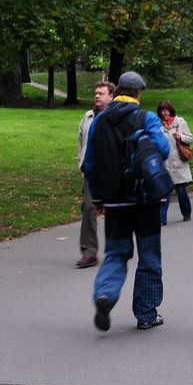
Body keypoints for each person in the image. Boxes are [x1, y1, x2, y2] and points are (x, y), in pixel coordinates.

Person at [83, 72, 171, 332]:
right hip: (146, 200)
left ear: (118, 90)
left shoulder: (99, 122)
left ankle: (105, 295)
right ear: (138, 93)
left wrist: (99, 197)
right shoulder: (146, 118)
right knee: (149, 257)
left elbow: (90, 163)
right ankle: (146, 314)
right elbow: (164, 151)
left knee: (116, 253)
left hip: (114, 202)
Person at [75, 81, 115, 268]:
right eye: (95, 93)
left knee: (116, 211)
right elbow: (81, 142)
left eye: (101, 93)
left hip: (112, 172)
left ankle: (117, 249)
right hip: (92, 173)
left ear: (111, 96)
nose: (97, 96)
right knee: (89, 210)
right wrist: (81, 164)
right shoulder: (88, 117)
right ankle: (89, 252)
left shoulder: (115, 117)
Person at [157, 100, 193, 225]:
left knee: (181, 191)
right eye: (162, 111)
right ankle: (162, 219)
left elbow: (191, 138)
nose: (164, 113)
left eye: (166, 110)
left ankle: (186, 213)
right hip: (165, 164)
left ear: (170, 110)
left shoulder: (180, 123)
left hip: (179, 163)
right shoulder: (158, 126)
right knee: (164, 193)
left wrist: (181, 137)